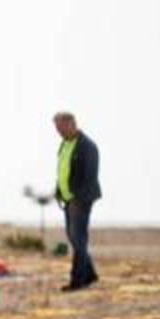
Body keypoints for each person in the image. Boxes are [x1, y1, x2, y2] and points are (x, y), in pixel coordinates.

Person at [53, 111, 102, 291]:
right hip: (67, 200)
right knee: (74, 239)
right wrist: (59, 191)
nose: (59, 132)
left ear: (71, 124)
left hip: (81, 201)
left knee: (79, 240)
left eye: (61, 127)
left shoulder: (87, 146)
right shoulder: (64, 144)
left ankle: (78, 280)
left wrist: (77, 200)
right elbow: (63, 170)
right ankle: (90, 274)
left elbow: (89, 177)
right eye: (56, 128)